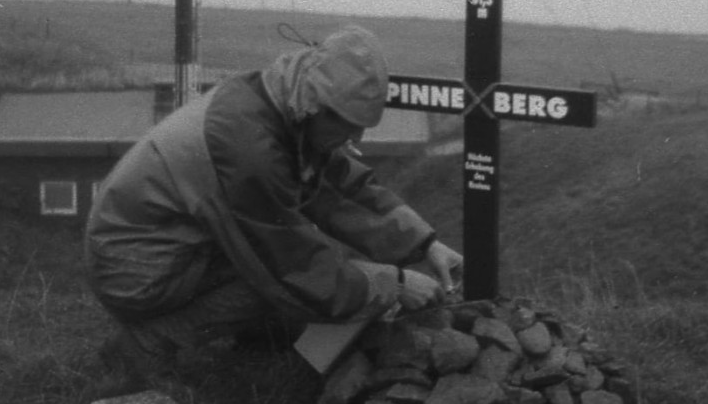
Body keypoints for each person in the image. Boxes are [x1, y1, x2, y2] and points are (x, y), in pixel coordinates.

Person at [85, 24, 463, 381]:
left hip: (173, 243)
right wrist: (393, 285)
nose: (357, 136)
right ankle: (145, 344)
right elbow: (293, 270)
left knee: (306, 272)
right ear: (318, 105)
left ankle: (253, 338)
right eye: (349, 124)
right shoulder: (249, 149)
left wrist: (425, 244)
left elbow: (341, 190)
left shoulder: (284, 102)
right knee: (273, 283)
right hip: (133, 268)